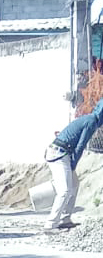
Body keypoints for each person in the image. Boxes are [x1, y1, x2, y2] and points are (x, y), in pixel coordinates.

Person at [43, 98, 103, 231]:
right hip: (59, 154)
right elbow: (81, 145)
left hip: (61, 153)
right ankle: (50, 224)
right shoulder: (92, 121)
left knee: (74, 184)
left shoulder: (89, 118)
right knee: (64, 191)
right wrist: (73, 164)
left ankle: (65, 218)